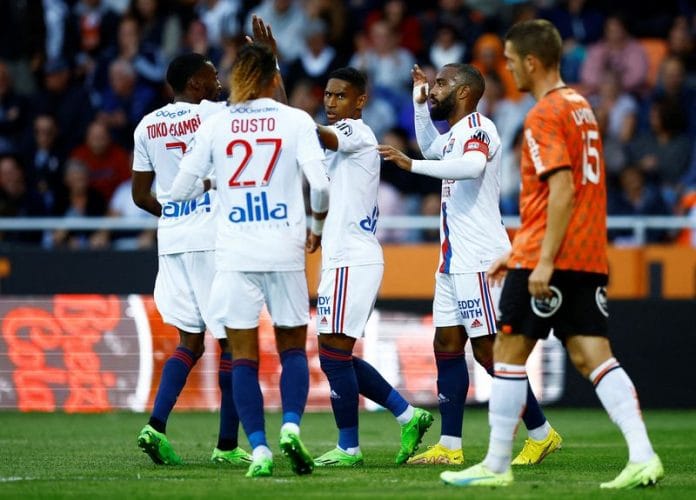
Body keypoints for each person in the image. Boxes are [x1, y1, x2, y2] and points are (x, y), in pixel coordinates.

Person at [439, 19, 664, 489]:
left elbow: (561, 189)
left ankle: (496, 465)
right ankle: (643, 455)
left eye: (510, 60)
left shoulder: (544, 114)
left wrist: (539, 257)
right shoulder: (581, 107)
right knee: (592, 355)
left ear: (531, 61)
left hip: (549, 255)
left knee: (504, 351)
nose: (507, 69)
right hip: (586, 253)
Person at [377, 62, 561, 466]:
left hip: (478, 258)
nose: (435, 88)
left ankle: (541, 433)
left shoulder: (480, 128)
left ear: (463, 92)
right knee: (446, 344)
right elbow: (431, 148)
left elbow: (472, 166)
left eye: (442, 83)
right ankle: (450, 446)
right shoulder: (455, 134)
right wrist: (419, 103)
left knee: (488, 352)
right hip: (452, 259)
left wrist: (411, 165)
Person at [169, 42, 330, 478]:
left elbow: (178, 192)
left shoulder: (216, 124)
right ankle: (291, 427)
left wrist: (211, 183)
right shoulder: (296, 120)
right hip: (284, 249)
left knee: (243, 356)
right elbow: (320, 185)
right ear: (273, 79)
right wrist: (316, 228)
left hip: (235, 252)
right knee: (292, 348)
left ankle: (258, 448)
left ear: (236, 79)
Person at [310, 67, 433, 468]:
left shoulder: (356, 132)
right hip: (342, 258)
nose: (331, 103)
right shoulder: (337, 139)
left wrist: (278, 115)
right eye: (328, 95)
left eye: (340, 96)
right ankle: (408, 415)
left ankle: (349, 447)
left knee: (333, 355)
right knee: (335, 354)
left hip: (353, 258)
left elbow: (318, 134)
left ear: (360, 101)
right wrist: (274, 71)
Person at [133, 52, 251, 467]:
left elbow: (140, 195)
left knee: (190, 341)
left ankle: (155, 426)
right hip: (211, 240)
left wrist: (172, 212)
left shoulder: (146, 125)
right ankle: (226, 445)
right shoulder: (215, 115)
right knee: (233, 342)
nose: (219, 81)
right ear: (196, 83)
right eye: (213, 75)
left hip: (172, 242)